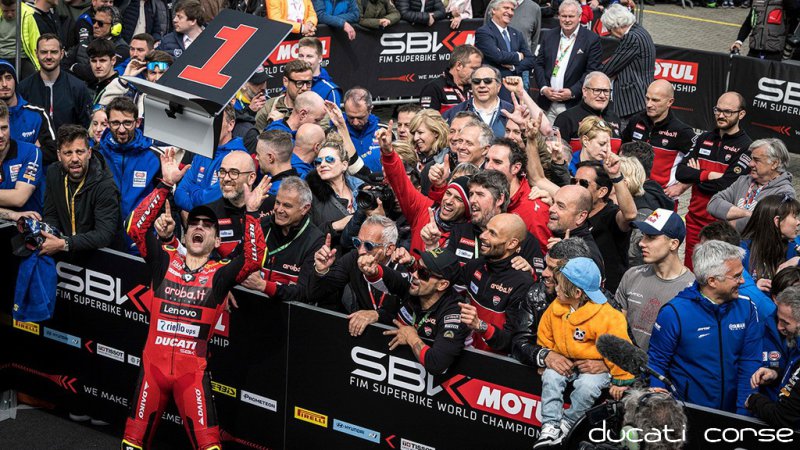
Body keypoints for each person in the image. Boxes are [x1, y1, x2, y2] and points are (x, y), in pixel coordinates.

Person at [122, 149, 267, 450]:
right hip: (152, 373)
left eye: (208, 225)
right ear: (186, 234)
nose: (199, 226)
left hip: (192, 379)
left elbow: (253, 260)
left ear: (217, 240)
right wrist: (165, 185)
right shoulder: (164, 260)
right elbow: (136, 228)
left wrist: (252, 215)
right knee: (131, 445)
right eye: (195, 223)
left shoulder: (220, 274)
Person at [648, 240, 763, 415]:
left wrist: (743, 415)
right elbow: (656, 363)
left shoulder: (747, 308)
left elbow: (750, 364)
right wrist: (660, 407)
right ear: (712, 281)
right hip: (686, 414)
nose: (742, 281)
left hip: (732, 415)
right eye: (737, 276)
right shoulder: (674, 313)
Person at [534, 256, 634, 448]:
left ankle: (567, 424)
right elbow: (545, 335)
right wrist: (547, 357)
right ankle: (550, 425)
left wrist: (621, 379)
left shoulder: (607, 316)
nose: (556, 288)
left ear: (577, 292)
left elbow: (619, 348)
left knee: (587, 387)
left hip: (595, 368)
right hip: (566, 363)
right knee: (551, 377)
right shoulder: (556, 308)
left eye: (560, 285)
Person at [360, 247, 471, 375]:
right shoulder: (414, 286)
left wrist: (411, 337)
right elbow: (389, 277)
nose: (414, 274)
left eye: (423, 273)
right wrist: (372, 270)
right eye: (417, 266)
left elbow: (437, 364)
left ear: (442, 285)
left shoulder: (455, 313)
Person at [675, 91, 753, 268]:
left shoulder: (746, 147)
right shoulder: (703, 139)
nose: (721, 115)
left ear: (741, 114)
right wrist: (707, 175)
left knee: (715, 274)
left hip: (722, 227)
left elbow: (726, 185)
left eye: (728, 112)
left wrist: (696, 175)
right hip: (694, 221)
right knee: (691, 271)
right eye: (718, 110)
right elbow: (680, 173)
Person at [378, 126, 470, 256]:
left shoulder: (470, 233)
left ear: (468, 206)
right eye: (448, 193)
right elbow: (400, 183)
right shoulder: (424, 209)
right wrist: (388, 154)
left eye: (459, 199)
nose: (449, 201)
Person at [616, 209, 694, 352]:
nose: (641, 243)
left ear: (673, 244)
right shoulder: (631, 276)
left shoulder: (692, 289)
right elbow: (615, 328)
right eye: (643, 236)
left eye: (651, 237)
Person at [458, 213, 534, 354]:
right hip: (464, 352)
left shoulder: (522, 282)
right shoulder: (475, 265)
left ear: (512, 244)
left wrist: (480, 326)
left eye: (492, 233)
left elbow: (512, 341)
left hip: (494, 362)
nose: (483, 236)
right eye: (486, 229)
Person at [241, 176, 325, 302]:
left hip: (286, 311)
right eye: (277, 202)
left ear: (305, 208)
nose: (279, 210)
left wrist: (263, 286)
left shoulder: (315, 240)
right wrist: (227, 288)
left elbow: (304, 292)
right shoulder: (261, 225)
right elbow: (234, 261)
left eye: (287, 206)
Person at [39, 124, 120, 255]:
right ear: (59, 155)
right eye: (68, 153)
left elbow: (104, 234)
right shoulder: (53, 173)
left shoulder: (105, 185)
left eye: (80, 152)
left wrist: (65, 243)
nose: (75, 159)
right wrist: (52, 236)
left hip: (100, 256)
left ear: (89, 153)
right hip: (64, 251)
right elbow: (51, 214)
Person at [512, 237, 593, 368]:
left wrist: (604, 363)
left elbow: (624, 348)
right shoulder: (536, 294)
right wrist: (544, 355)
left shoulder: (602, 302)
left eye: (552, 269)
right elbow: (519, 342)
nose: (544, 273)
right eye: (546, 266)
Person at [94, 96, 157, 254]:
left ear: (138, 122)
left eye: (127, 123)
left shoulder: (154, 157)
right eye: (115, 123)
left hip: (141, 243)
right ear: (108, 123)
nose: (121, 130)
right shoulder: (95, 155)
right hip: (103, 241)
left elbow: (166, 203)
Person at [19, 34, 93, 151]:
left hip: (69, 154)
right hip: (34, 154)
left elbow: (86, 125)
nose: (49, 56)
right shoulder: (24, 88)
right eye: (44, 52)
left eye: (54, 52)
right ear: (36, 53)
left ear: (62, 53)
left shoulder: (78, 87)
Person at [576, 157, 638, 293]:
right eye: (573, 181)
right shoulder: (573, 211)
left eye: (583, 183)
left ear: (602, 192)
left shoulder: (611, 215)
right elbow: (539, 180)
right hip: (576, 290)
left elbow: (630, 215)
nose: (576, 187)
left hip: (606, 295)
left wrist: (616, 176)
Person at [621, 79, 696, 191]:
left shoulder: (682, 131)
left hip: (660, 196)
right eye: (647, 98)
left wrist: (681, 187)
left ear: (670, 102)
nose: (649, 104)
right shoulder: (636, 120)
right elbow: (621, 149)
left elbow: (701, 162)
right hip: (631, 191)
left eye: (655, 100)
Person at [533, 0, 601, 122]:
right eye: (564, 16)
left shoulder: (591, 39)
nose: (567, 20)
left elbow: (591, 72)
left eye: (571, 16)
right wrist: (544, 88)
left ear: (579, 17)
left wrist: (572, 92)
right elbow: (539, 64)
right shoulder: (548, 36)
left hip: (573, 105)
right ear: (558, 16)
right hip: (547, 103)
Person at [708, 138, 794, 233]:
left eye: (756, 160)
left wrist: (729, 222)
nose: (750, 164)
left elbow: (765, 224)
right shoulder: (743, 180)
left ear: (774, 163)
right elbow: (713, 203)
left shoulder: (784, 192)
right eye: (751, 159)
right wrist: (747, 213)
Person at [174, 104, 248, 211]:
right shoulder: (202, 151)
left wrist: (192, 189)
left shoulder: (238, 158)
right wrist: (197, 206)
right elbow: (179, 194)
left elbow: (209, 202)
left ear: (230, 125)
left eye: (216, 121)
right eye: (208, 120)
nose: (211, 125)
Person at [746, 286, 800, 427]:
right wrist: (775, 374)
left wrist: (754, 400)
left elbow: (784, 417)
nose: (779, 327)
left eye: (785, 322)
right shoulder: (796, 346)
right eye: (778, 319)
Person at [484, 137, 551, 251]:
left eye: (497, 162)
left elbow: (541, 255)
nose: (488, 167)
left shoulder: (533, 210)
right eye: (487, 160)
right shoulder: (482, 195)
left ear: (515, 168)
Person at [599, 4, 656, 123]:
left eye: (610, 29)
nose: (610, 34)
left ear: (617, 26)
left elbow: (609, 68)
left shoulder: (631, 38)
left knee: (627, 132)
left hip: (632, 101)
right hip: (642, 94)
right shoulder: (640, 30)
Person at [306, 141, 363, 241]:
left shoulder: (360, 188)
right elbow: (306, 236)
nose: (322, 164)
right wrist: (335, 226)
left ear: (344, 165)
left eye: (329, 159)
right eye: (318, 161)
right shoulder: (309, 196)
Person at [0, 60, 56, 162]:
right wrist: (32, 149)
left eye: (8, 78)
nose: (4, 84)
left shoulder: (38, 113)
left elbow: (53, 152)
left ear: (15, 81)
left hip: (32, 172)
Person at [553, 71, 622, 153]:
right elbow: (557, 155)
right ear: (585, 91)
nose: (602, 95)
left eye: (606, 91)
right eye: (597, 90)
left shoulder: (614, 118)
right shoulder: (566, 118)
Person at [740, 195, 800, 283]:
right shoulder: (742, 251)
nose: (798, 222)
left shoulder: (795, 245)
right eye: (794, 217)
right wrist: (755, 287)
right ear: (777, 221)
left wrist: (798, 261)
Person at [547, 184, 604, 274]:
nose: (551, 209)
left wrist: (567, 256)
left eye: (560, 206)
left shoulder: (588, 256)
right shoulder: (555, 231)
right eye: (553, 202)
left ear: (581, 216)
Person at [443, 65, 513, 138]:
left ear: (498, 86)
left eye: (487, 81)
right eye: (476, 81)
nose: (482, 85)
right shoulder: (453, 113)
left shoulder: (511, 111)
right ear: (471, 86)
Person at [474, 0, 535, 83]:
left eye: (512, 9)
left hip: (516, 84)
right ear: (494, 10)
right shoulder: (483, 32)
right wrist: (518, 55)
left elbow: (531, 60)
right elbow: (497, 56)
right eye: (506, 8)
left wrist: (514, 68)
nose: (510, 12)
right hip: (494, 84)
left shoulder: (517, 34)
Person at [0, 100, 44, 213]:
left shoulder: (31, 152)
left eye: (4, 128)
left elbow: (19, 198)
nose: (1, 135)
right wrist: (11, 214)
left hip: (26, 223)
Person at [420, 45, 483, 114]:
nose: (477, 72)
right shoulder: (434, 88)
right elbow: (427, 118)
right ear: (459, 65)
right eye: (474, 68)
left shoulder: (476, 86)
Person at [254, 60, 314, 131]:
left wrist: (281, 124)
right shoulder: (268, 108)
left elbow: (316, 137)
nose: (304, 88)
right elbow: (258, 137)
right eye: (299, 83)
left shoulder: (317, 109)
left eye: (308, 83)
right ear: (286, 81)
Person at [342, 87, 384, 172]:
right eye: (351, 117)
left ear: (370, 110)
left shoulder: (383, 131)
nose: (355, 122)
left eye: (360, 117)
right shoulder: (335, 133)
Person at [410, 109, 450, 194]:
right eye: (413, 133)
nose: (415, 138)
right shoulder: (410, 158)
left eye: (420, 132)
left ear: (435, 132)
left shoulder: (447, 161)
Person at [296, 37, 341, 106]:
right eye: (301, 56)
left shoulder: (330, 91)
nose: (304, 60)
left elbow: (334, 113)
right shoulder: (291, 82)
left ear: (320, 59)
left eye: (309, 56)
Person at [0, 0, 40, 78]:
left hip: (22, 57)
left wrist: (39, 65)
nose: (9, 14)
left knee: (32, 78)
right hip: (2, 57)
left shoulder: (27, 15)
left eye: (13, 10)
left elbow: (35, 41)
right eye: (5, 11)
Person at [85, 38, 119, 103]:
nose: (98, 66)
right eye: (94, 61)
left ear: (113, 60)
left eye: (102, 60)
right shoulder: (92, 85)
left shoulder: (120, 87)